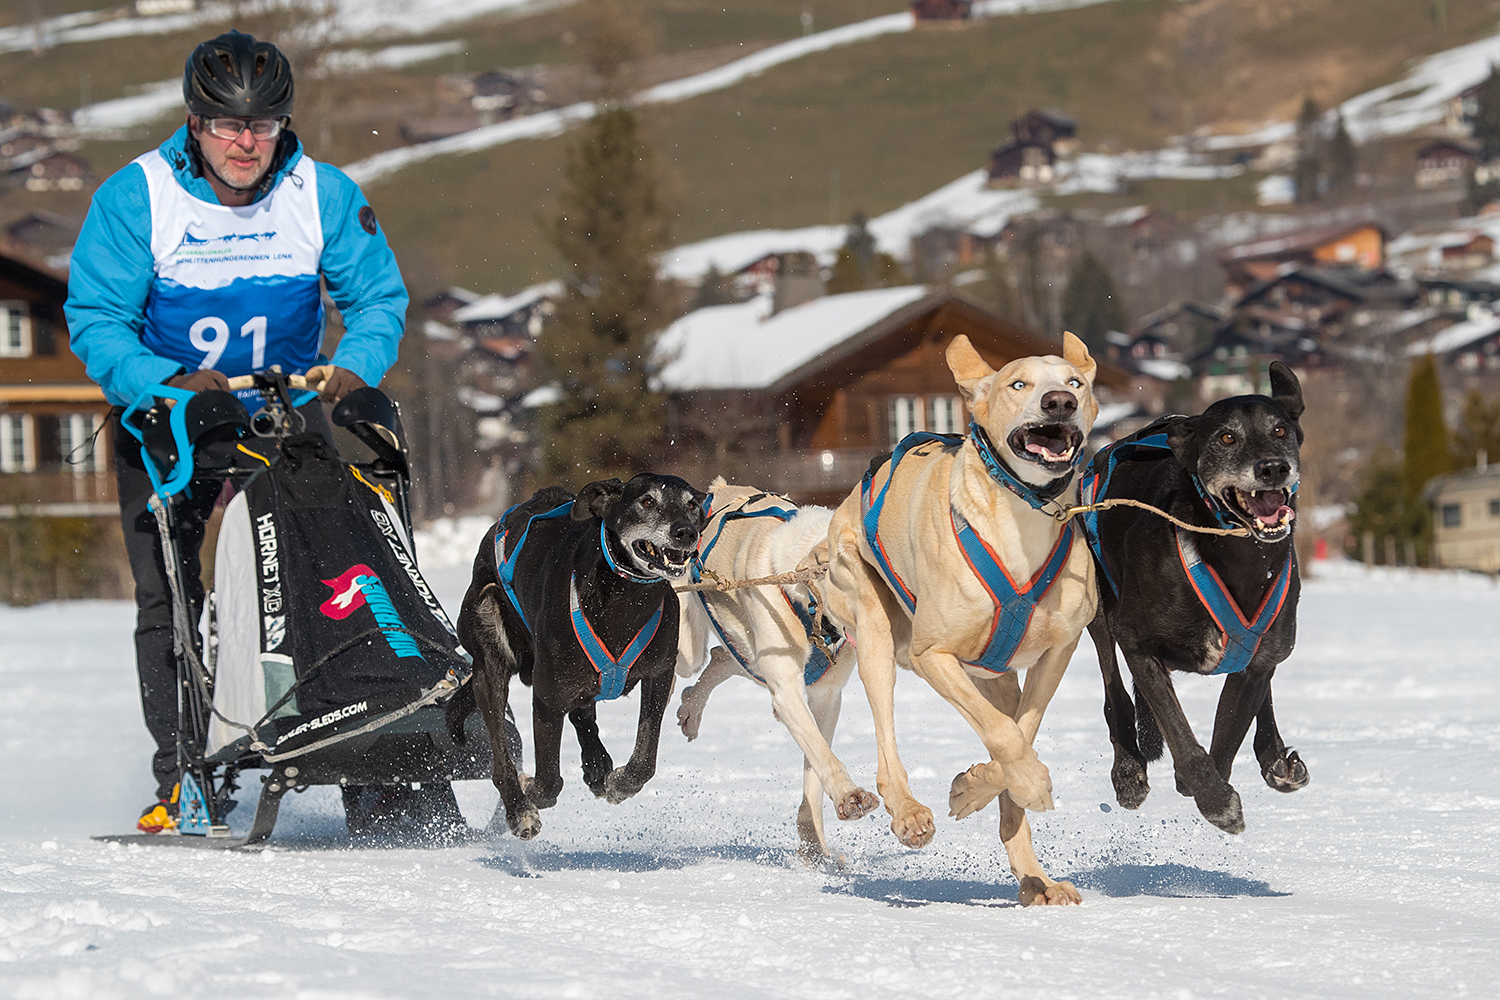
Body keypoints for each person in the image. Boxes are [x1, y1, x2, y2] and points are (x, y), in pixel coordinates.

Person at [66, 30, 409, 833]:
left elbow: (377, 299)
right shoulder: (136, 196)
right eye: (226, 125)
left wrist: (352, 366)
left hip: (287, 409)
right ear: (194, 121)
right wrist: (162, 383)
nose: (245, 142)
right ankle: (184, 777)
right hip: (173, 415)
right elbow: (97, 319)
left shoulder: (319, 192)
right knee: (171, 593)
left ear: (284, 123)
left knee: (342, 575)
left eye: (263, 124)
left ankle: (367, 765)